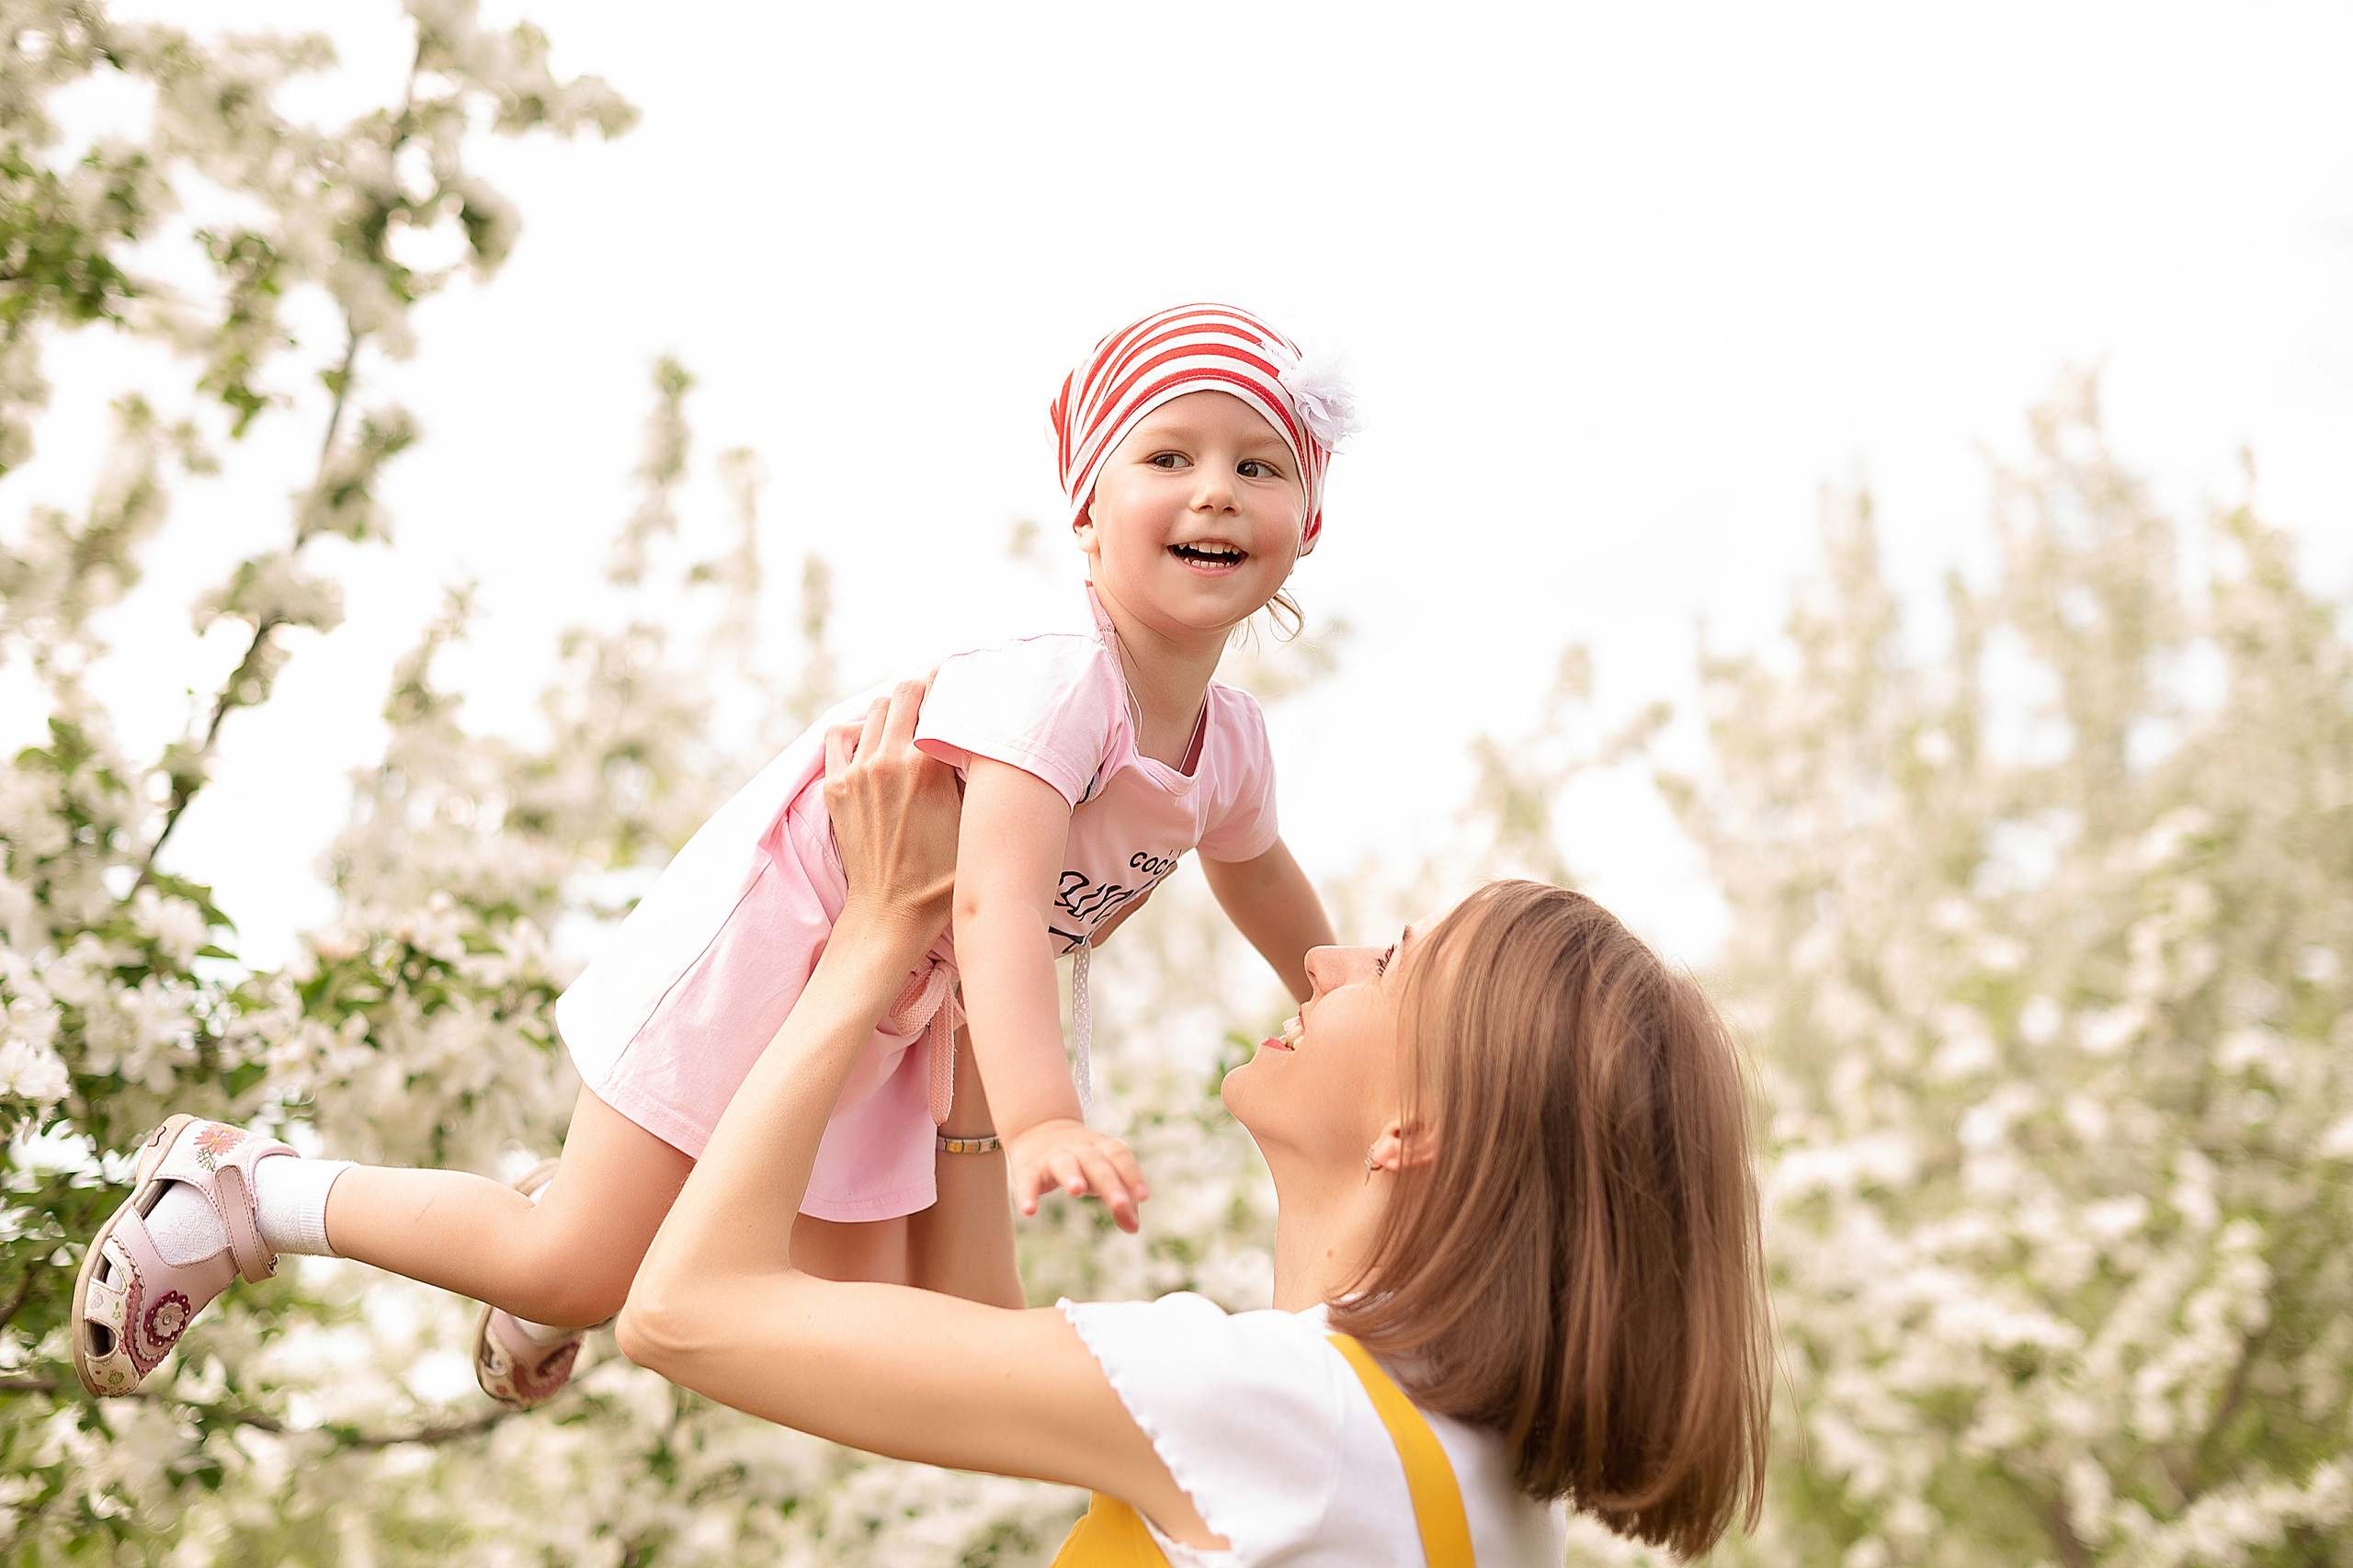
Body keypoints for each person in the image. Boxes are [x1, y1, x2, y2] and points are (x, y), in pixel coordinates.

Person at [71, 304, 1350, 1410]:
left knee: (841, 1302)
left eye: (1258, 464)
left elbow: (1260, 875)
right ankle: (248, 1189)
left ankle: (555, 1215)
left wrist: (1345, 997)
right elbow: (998, 895)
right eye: (1167, 455)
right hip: (785, 939)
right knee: (578, 1264)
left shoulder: (1225, 738)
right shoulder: (1063, 682)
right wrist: (1044, 1112)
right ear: (1087, 513)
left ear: (1304, 523)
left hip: (908, 1005)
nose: (1215, 489)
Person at [618, 683, 1772, 1566]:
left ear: (1419, 1124)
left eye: (1393, 962)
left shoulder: (1280, 1411)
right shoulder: (1471, 1483)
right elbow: (966, 1340)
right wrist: (975, 1004)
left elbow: (683, 1310)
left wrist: (875, 933)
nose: (1322, 957)